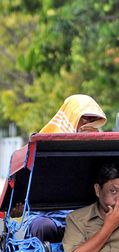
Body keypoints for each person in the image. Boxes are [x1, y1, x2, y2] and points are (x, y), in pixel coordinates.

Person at [28, 94, 108, 243]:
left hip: (86, 218)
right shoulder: (44, 147)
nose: (88, 124)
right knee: (41, 226)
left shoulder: (99, 148)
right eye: (84, 118)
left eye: (92, 120)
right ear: (72, 117)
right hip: (50, 217)